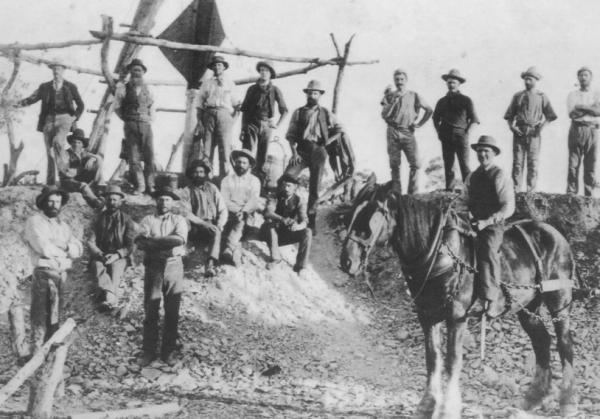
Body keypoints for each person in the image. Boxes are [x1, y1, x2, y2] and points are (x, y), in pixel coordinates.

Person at [23, 186, 83, 353]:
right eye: (50, 201)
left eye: (57, 202)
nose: (54, 205)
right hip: (43, 274)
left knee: (55, 316)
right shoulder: (35, 222)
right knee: (39, 316)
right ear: (43, 202)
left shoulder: (63, 226)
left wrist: (63, 244)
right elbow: (44, 248)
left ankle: (49, 353)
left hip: (60, 275)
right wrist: (65, 253)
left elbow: (78, 250)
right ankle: (36, 353)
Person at [135, 186, 188, 366]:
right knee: (151, 308)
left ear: (172, 202)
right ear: (156, 201)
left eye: (167, 199)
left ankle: (168, 352)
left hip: (174, 267)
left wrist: (154, 241)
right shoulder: (148, 219)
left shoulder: (178, 219)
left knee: (172, 311)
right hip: (153, 267)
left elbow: (179, 240)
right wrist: (162, 243)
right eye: (161, 199)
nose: (164, 202)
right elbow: (140, 242)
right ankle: (148, 351)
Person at [465, 136, 515, 318]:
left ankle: (491, 300)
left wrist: (487, 222)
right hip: (473, 222)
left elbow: (507, 205)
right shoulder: (472, 176)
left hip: (492, 225)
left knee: (487, 250)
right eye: (480, 151)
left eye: (487, 151)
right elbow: (464, 201)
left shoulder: (499, 175)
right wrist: (465, 215)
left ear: (493, 153)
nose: (483, 154)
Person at [284, 79, 343, 233]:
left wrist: (327, 143)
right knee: (288, 177)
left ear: (320, 95)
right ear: (307, 94)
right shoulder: (298, 112)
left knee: (315, 188)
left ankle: (310, 222)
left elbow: (339, 129)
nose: (312, 95)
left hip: (318, 150)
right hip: (301, 150)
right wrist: (294, 153)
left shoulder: (325, 112)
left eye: (315, 93)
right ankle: (287, 217)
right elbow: (290, 135)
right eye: (310, 92)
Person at [18, 63, 85, 185]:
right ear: (52, 71)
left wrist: (73, 119)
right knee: (49, 151)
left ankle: (67, 173)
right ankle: (50, 182)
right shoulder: (45, 87)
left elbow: (81, 105)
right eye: (54, 69)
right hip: (48, 119)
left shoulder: (70, 86)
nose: (56, 71)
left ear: (63, 70)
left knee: (58, 142)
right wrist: (14, 104)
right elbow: (32, 99)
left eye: (59, 68)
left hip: (65, 118)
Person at [504, 67, 557, 192]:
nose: (527, 81)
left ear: (536, 80)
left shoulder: (541, 96)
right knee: (517, 162)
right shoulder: (518, 96)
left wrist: (541, 128)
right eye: (525, 79)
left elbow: (550, 116)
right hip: (520, 131)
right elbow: (509, 116)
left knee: (533, 162)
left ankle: (530, 190)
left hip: (534, 131)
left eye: (530, 79)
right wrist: (512, 127)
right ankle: (516, 189)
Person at [380, 69, 433, 194]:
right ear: (394, 81)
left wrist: (419, 124)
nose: (399, 82)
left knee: (415, 163)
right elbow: (384, 114)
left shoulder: (414, 95)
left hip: (407, 131)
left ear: (406, 80)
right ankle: (396, 192)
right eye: (397, 80)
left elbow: (429, 110)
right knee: (394, 164)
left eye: (402, 79)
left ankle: (412, 193)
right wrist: (393, 100)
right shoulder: (389, 96)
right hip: (392, 130)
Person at [88, 185, 136, 311]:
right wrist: (100, 254)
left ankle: (108, 297)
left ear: (120, 202)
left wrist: (117, 255)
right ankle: (109, 295)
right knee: (98, 267)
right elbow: (90, 241)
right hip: (101, 254)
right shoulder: (98, 218)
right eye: (109, 199)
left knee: (115, 269)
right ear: (105, 200)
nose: (112, 203)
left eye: (115, 200)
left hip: (119, 256)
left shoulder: (127, 220)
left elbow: (131, 245)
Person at [240, 60, 288, 181]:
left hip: (266, 124)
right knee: (247, 152)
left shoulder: (275, 90)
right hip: (251, 123)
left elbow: (284, 110)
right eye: (261, 70)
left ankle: (258, 183)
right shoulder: (252, 89)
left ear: (271, 74)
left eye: (266, 71)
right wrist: (243, 129)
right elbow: (244, 110)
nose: (263, 73)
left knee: (262, 154)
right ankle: (243, 179)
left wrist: (276, 125)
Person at [178, 159, 228, 277]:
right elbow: (186, 213)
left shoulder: (212, 188)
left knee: (217, 232)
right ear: (191, 174)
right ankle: (183, 255)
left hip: (210, 224)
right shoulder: (186, 191)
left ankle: (210, 265)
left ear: (205, 174)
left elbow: (223, 208)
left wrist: (220, 224)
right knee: (182, 222)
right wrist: (203, 224)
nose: (198, 175)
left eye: (201, 172)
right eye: (195, 172)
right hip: (195, 226)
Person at [114, 58, 156, 195]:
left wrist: (149, 119)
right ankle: (140, 186)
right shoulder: (122, 87)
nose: (136, 72)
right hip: (130, 124)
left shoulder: (149, 88)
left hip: (145, 124)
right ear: (130, 72)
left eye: (139, 70)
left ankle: (151, 185)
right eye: (134, 70)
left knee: (149, 156)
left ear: (143, 72)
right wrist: (127, 119)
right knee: (134, 156)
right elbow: (117, 106)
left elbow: (153, 106)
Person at [433, 69, 480, 190]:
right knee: (448, 164)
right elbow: (435, 118)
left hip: (460, 135)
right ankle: (449, 189)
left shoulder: (466, 100)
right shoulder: (441, 102)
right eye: (449, 82)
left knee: (464, 165)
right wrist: (439, 131)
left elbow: (474, 119)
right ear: (446, 83)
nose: (451, 84)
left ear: (459, 84)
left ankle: (469, 191)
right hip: (446, 136)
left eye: (454, 82)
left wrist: (467, 132)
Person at [196, 55, 241, 177]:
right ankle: (206, 179)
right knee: (207, 148)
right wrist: (199, 122)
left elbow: (237, 105)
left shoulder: (230, 83)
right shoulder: (207, 83)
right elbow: (199, 103)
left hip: (224, 115)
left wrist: (232, 121)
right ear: (212, 68)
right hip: (209, 114)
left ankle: (223, 179)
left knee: (225, 149)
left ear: (224, 67)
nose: (217, 67)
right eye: (215, 65)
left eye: (219, 65)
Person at [261, 173, 312, 275]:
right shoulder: (274, 196)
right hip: (268, 233)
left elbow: (304, 220)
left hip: (284, 235)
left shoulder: (299, 200)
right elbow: (268, 212)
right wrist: (282, 219)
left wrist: (298, 226)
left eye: (289, 186)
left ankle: (300, 266)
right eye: (284, 185)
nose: (286, 188)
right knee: (270, 224)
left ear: (295, 187)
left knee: (307, 232)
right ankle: (275, 258)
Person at [220, 149, 262, 266]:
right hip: (228, 211)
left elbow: (253, 200)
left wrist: (243, 211)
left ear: (249, 165)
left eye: (244, 163)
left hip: (246, 213)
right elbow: (224, 199)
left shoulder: (254, 181)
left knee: (240, 220)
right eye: (238, 162)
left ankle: (228, 249)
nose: (240, 165)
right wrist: (235, 209)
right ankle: (231, 247)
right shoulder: (227, 180)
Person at [566, 66, 600, 196]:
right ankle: (571, 192)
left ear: (591, 78)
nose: (583, 77)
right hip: (577, 129)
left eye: (586, 75)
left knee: (591, 162)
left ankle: (589, 194)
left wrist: (581, 107)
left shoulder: (596, 94)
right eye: (580, 75)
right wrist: (591, 108)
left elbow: (598, 112)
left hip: (593, 130)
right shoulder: (573, 94)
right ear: (578, 78)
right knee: (573, 162)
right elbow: (573, 114)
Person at [59, 129, 104, 208]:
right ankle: (95, 202)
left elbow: (99, 158)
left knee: (97, 163)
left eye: (79, 142)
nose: (76, 144)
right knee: (84, 186)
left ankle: (99, 187)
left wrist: (92, 159)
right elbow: (68, 173)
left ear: (82, 145)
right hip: (67, 182)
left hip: (78, 179)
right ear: (71, 143)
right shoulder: (66, 154)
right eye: (74, 142)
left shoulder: (83, 153)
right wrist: (81, 168)